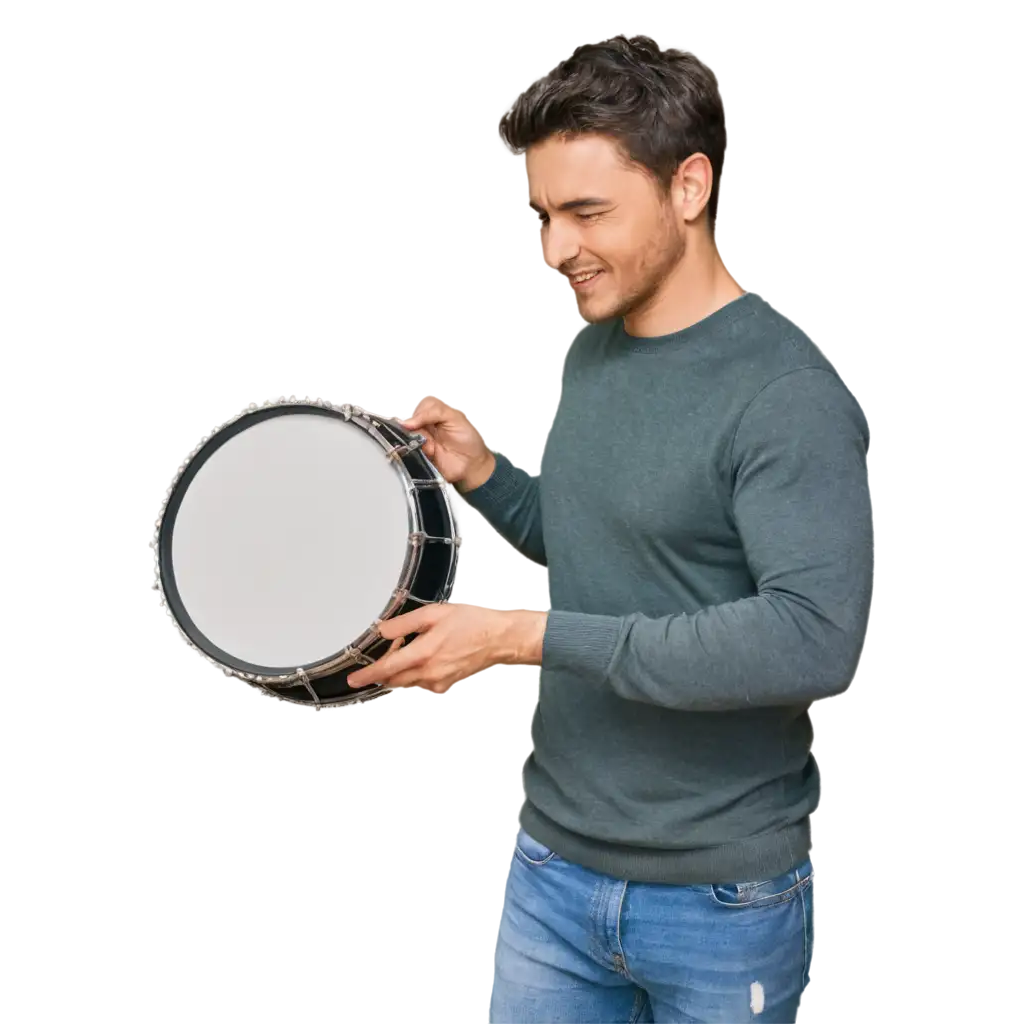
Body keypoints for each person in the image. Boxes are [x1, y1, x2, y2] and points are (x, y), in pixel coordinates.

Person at [347, 33, 873, 1024]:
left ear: (689, 186)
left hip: (720, 898)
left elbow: (811, 636)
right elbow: (608, 548)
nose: (554, 249)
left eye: (586, 212)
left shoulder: (786, 398)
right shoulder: (597, 343)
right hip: (553, 868)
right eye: (541, 216)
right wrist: (488, 474)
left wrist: (522, 633)